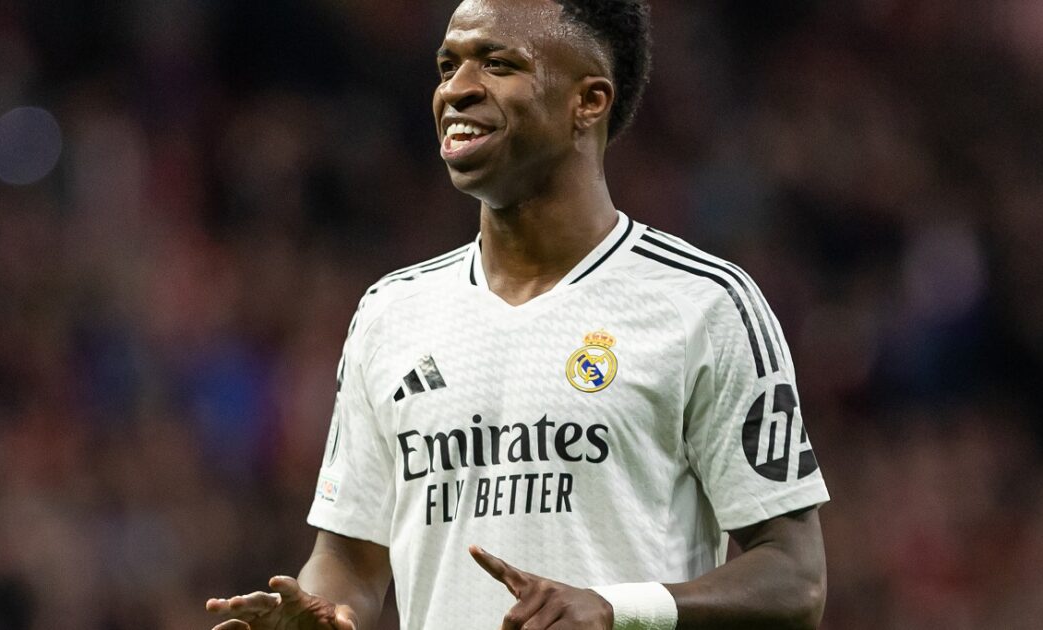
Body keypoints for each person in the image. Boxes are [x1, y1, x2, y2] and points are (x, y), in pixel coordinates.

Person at [206, 0, 829, 628]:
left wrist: (617, 610)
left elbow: (794, 578)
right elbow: (349, 560)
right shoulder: (390, 313)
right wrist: (326, 615)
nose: (456, 89)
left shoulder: (705, 304)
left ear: (588, 101)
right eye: (447, 66)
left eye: (498, 64)